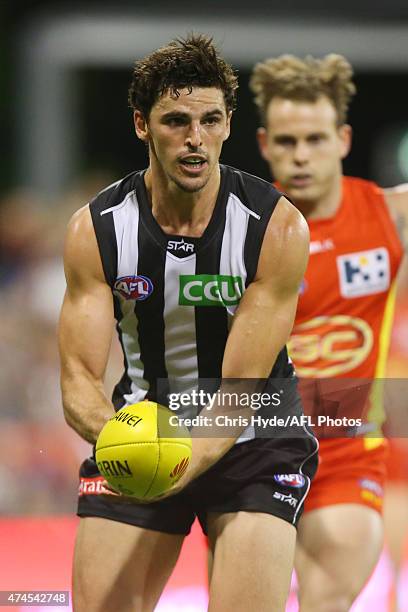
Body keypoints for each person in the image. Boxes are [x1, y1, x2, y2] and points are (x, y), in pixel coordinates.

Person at [58, 35, 318, 612]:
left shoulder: (275, 229)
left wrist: (174, 460)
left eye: (210, 120)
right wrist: (122, 439)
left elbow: (242, 390)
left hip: (255, 442)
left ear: (228, 125)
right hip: (145, 429)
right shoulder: (96, 230)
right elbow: (77, 378)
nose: (195, 138)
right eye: (175, 120)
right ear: (141, 126)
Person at [250, 54, 408, 611]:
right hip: (253, 453)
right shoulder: (239, 225)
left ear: (342, 139)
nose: (301, 156)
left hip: (347, 453)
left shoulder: (392, 215)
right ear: (265, 143)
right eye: (287, 141)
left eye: (315, 139)